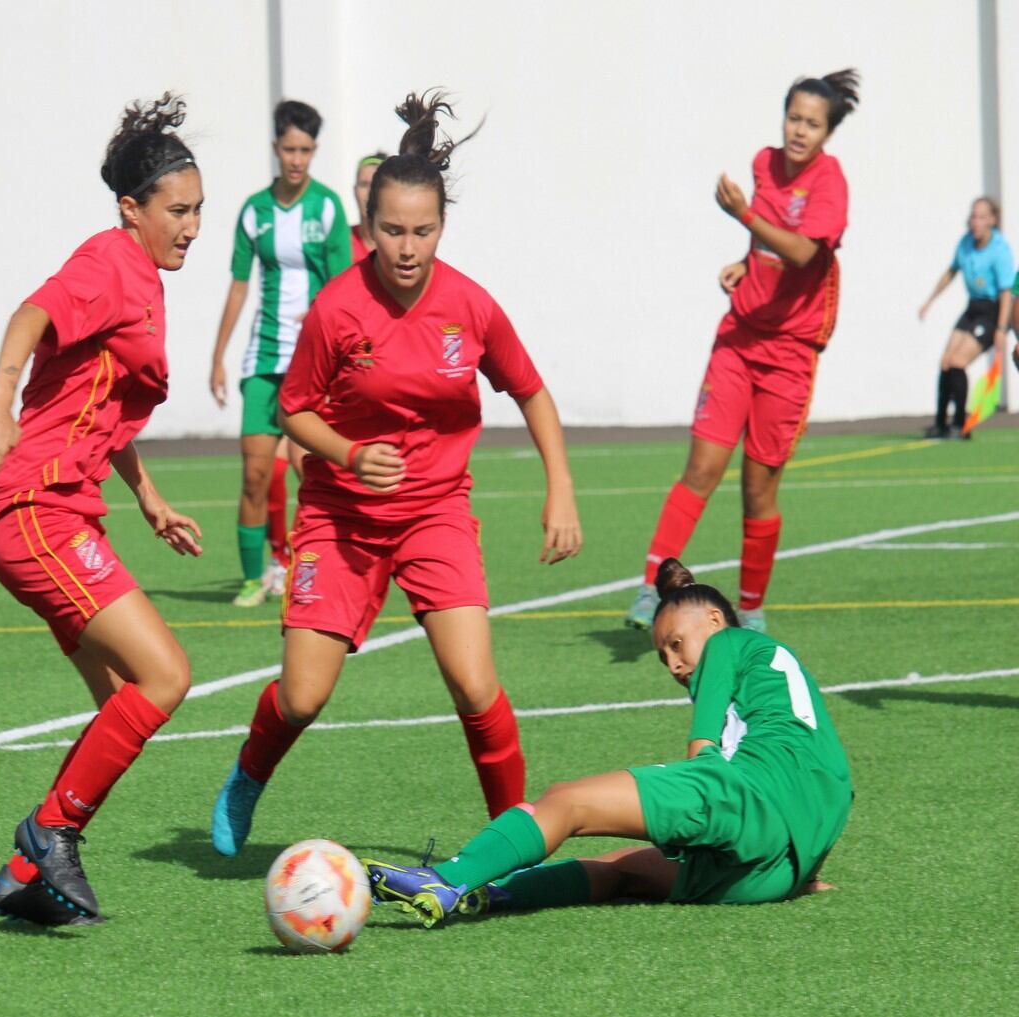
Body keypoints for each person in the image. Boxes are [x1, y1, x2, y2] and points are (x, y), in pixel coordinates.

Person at [209, 90, 583, 857]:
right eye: (391, 230)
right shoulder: (339, 309)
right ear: (367, 225)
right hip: (340, 519)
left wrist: (561, 491)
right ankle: (248, 776)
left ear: (442, 226)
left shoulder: (471, 307)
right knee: (304, 697)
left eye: (423, 231)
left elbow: (532, 391)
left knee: (475, 685)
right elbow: (293, 410)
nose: (407, 248)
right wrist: (349, 454)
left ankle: (509, 844)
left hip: (435, 515)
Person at [0, 94, 206, 926]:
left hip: (65, 511)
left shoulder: (145, 280)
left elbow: (102, 405)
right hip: (35, 510)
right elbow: (28, 316)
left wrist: (147, 497)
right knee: (167, 675)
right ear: (131, 208)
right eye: (177, 211)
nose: (191, 226)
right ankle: (49, 834)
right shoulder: (109, 261)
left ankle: (24, 870)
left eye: (197, 211)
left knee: (123, 702)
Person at [364, 558, 851, 925]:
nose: (675, 664)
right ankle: (490, 894)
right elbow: (832, 783)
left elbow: (704, 747)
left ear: (715, 621)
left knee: (566, 800)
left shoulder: (727, 644)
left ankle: (448, 878)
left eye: (677, 644)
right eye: (664, 657)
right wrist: (806, 871)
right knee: (620, 868)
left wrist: (701, 784)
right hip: (774, 873)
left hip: (746, 800)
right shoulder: (789, 684)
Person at [627, 70, 860, 635]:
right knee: (702, 467)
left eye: (812, 123)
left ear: (828, 133)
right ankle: (649, 588)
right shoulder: (763, 163)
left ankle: (750, 608)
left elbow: (805, 252)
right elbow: (769, 243)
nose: (799, 131)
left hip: (790, 352)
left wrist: (745, 218)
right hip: (739, 337)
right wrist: (746, 258)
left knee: (758, 488)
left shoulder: (830, 183)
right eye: (793, 118)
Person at [210, 100, 354, 607]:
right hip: (263, 360)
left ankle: (312, 566)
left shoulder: (328, 207)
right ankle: (255, 578)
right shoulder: (254, 210)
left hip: (313, 360)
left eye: (306, 150)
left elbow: (344, 285)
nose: (297, 159)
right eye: (290, 149)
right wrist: (218, 356)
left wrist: (323, 322)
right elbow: (237, 285)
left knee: (308, 469)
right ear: (276, 148)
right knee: (253, 472)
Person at [918, 196, 1012, 439]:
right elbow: (951, 272)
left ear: (992, 220)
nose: (975, 222)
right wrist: (930, 301)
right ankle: (940, 422)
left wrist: (1001, 328)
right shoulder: (966, 243)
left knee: (959, 361)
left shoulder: (1000, 250)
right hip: (972, 308)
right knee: (946, 361)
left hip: (991, 312)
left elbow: (1006, 293)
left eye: (981, 217)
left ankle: (961, 425)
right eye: (973, 216)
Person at [350, 152, 385, 263]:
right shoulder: (342, 241)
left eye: (376, 184)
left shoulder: (402, 244)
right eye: (364, 185)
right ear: (355, 191)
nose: (370, 192)